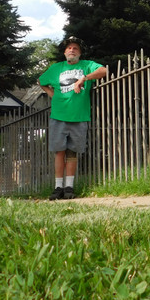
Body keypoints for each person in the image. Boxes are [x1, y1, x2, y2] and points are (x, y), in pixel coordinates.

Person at [38, 36, 108, 200]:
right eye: (69, 48)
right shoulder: (56, 68)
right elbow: (41, 81)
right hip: (58, 116)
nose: (72, 50)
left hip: (79, 116)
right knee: (59, 152)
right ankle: (57, 187)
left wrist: (84, 78)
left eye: (75, 48)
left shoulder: (87, 65)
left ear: (80, 53)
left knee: (72, 152)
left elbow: (104, 71)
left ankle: (69, 187)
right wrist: (52, 94)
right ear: (64, 52)